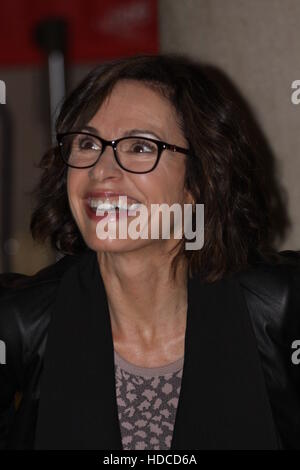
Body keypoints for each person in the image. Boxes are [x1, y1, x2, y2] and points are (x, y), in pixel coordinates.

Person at [0, 54, 299, 451]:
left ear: (199, 181)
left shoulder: (282, 308)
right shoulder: (17, 322)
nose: (101, 170)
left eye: (140, 147)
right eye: (87, 143)